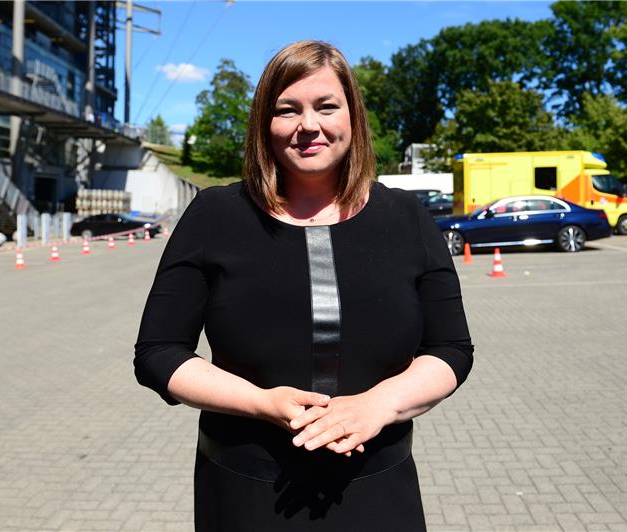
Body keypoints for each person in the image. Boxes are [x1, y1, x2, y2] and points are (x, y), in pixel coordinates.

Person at [134, 40, 474, 531]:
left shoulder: (407, 218)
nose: (307, 126)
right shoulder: (215, 215)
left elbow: (451, 349)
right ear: (264, 125)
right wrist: (263, 403)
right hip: (246, 494)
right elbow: (159, 353)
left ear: (352, 117)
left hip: (379, 493)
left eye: (326, 106)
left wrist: (379, 404)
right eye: (287, 110)